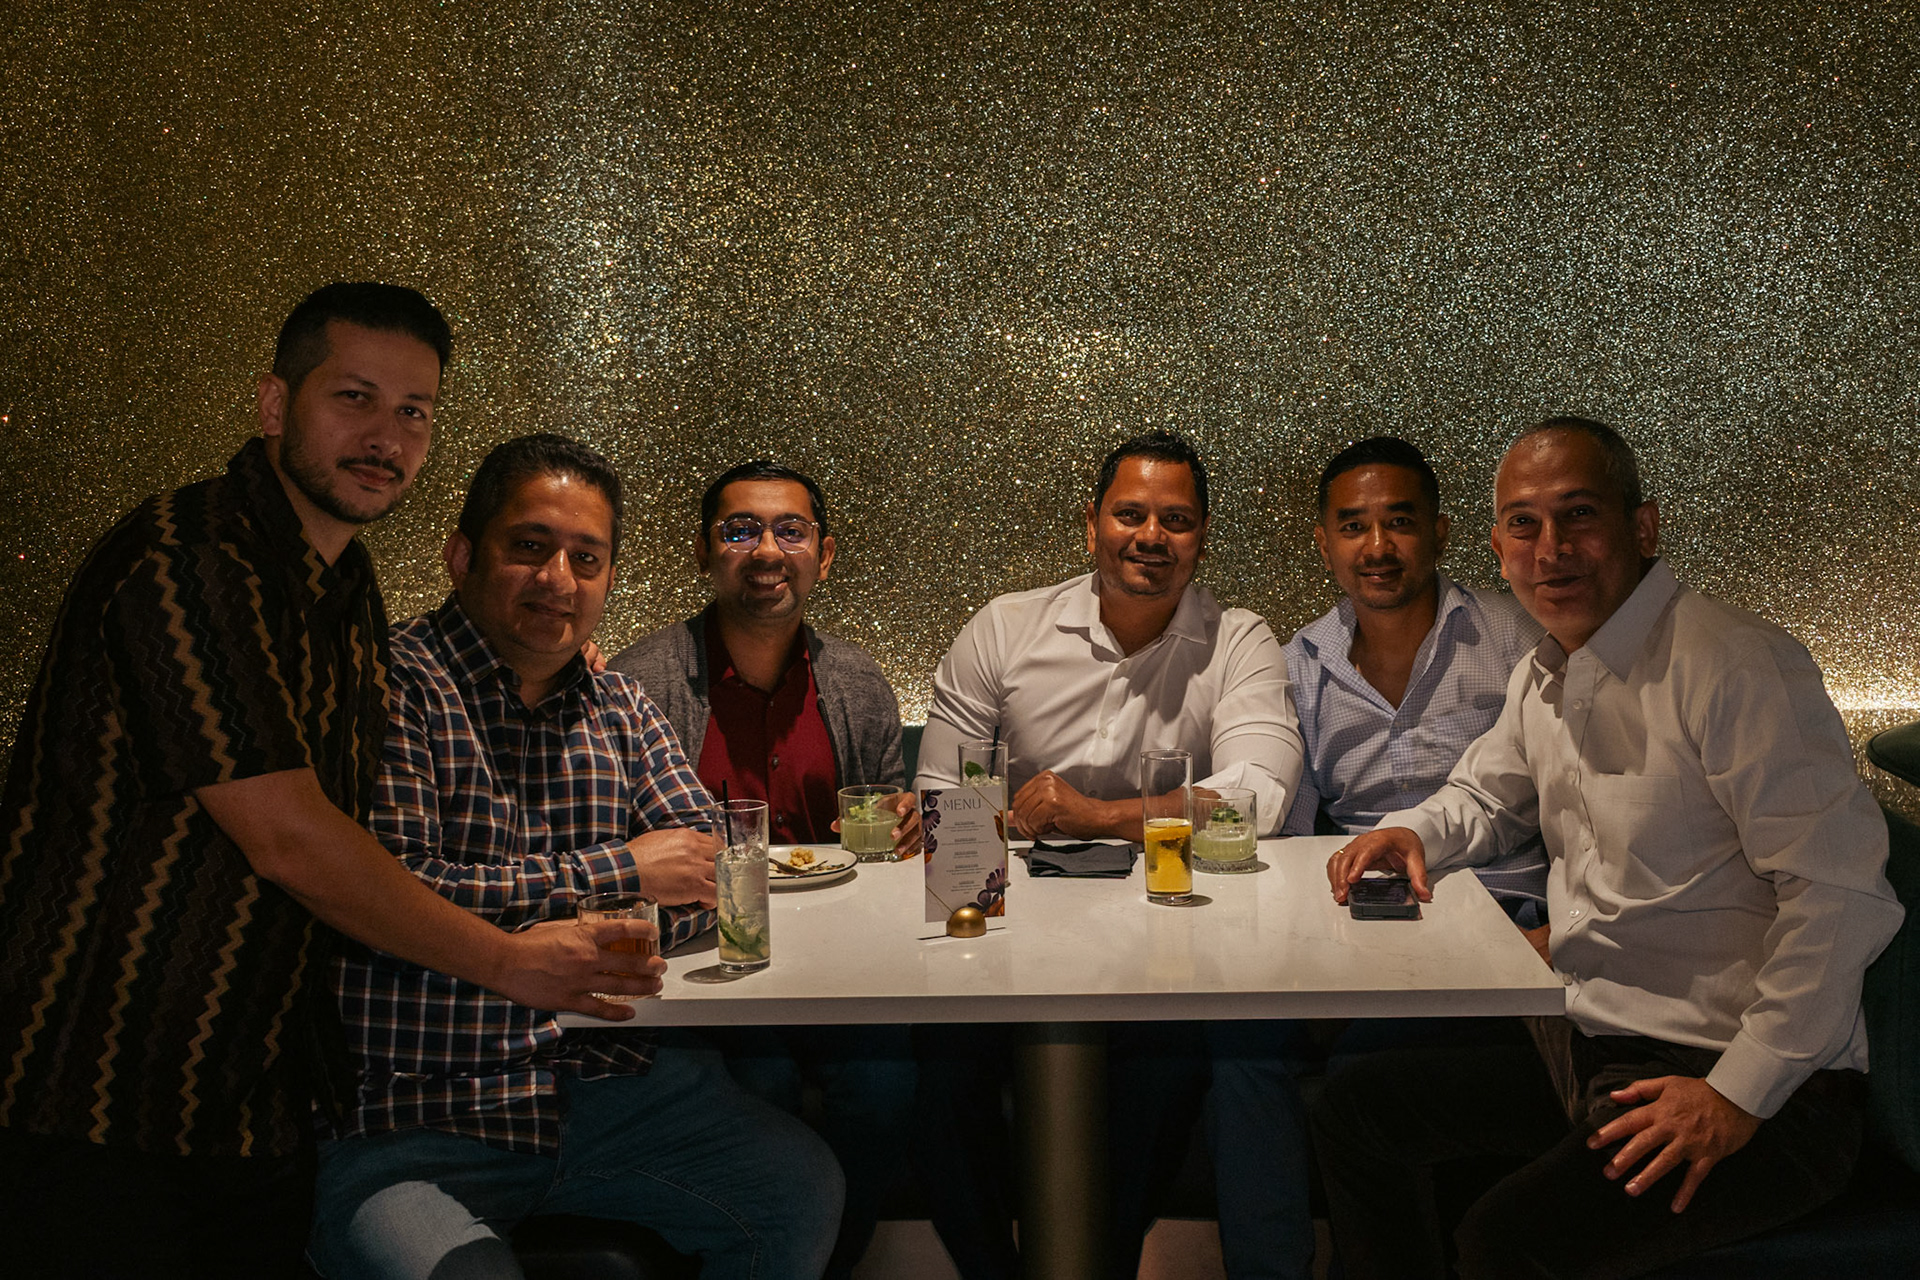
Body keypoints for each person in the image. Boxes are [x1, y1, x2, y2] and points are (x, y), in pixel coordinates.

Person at [0, 285, 657, 1279]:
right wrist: (509, 961)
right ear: (275, 405)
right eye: (354, 397)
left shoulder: (345, 586)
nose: (384, 436)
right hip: (93, 1077)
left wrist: (544, 648)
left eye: (413, 411)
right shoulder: (190, 557)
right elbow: (291, 837)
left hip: (253, 1095)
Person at [1316, 417, 1904, 1278]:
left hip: (1753, 1086)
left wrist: (1736, 1094)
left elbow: (1842, 895)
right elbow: (1487, 795)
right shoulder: (1547, 671)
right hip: (1596, 1044)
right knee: (1357, 1110)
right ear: (1498, 549)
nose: (1551, 549)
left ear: (1643, 526)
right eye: (1524, 524)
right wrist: (1412, 833)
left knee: (1505, 1243)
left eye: (1579, 515)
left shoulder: (1736, 666)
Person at [311, 434, 842, 1280]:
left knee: (800, 1191)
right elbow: (394, 889)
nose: (558, 579)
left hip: (610, 1087)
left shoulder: (619, 703)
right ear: (462, 555)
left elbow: (710, 874)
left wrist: (578, 910)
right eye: (530, 547)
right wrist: (621, 872)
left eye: (586, 559)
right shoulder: (391, 686)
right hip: (419, 1107)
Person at [914, 429, 1303, 1280]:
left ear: (1202, 536)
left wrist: (1096, 813)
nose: (1151, 536)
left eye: (1177, 520)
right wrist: (1016, 824)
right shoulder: (1006, 628)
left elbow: (1258, 798)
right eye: (1130, 514)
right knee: (936, 1072)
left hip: (1168, 938)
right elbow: (944, 796)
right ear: (1091, 523)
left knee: (1165, 1069)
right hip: (1006, 935)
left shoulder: (1238, 639)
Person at [1206, 435, 1552, 1280]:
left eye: (1399, 522)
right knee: (1239, 1049)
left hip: (1501, 917)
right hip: (1362, 919)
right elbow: (1290, 830)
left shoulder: (1520, 638)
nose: (1377, 546)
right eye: (1353, 526)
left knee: (1369, 1062)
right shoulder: (1300, 665)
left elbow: (1564, 803)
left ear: (1440, 532)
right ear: (1324, 542)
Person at [612, 459, 916, 1280]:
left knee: (887, 1086)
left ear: (824, 554)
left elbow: (886, 840)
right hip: (705, 966)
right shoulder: (638, 683)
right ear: (704, 552)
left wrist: (904, 824)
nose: (768, 550)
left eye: (791, 530)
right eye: (741, 530)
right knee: (763, 1079)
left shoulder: (857, 682)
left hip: (841, 965)